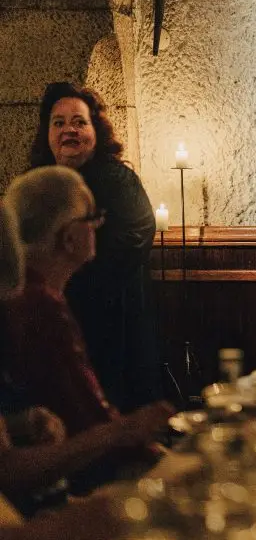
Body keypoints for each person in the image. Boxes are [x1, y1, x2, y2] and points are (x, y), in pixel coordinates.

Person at [2, 167, 164, 495]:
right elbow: (88, 421)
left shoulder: (36, 296)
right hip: (73, 491)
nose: (98, 226)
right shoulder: (39, 305)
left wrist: (22, 422)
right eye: (92, 217)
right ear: (70, 237)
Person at [29, 81, 160, 411]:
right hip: (52, 327)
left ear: (95, 131)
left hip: (113, 326)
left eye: (79, 122)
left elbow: (133, 240)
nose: (68, 131)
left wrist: (68, 279)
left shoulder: (119, 180)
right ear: (47, 133)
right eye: (58, 123)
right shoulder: (40, 185)